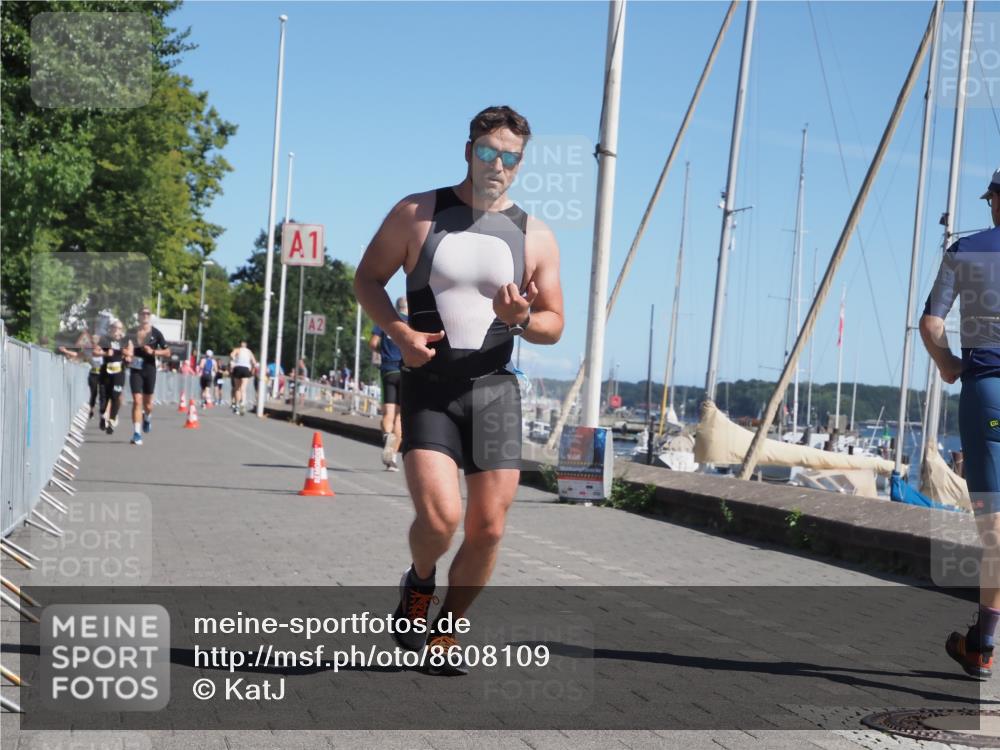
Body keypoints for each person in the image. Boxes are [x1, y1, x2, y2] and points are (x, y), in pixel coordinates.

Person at [354, 105, 564, 674]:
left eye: (510, 157)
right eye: (488, 152)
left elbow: (554, 325)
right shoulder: (417, 213)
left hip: (495, 391)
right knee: (441, 519)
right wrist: (398, 331)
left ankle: (448, 629)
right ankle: (419, 582)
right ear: (468, 150)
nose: (497, 164)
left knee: (490, 526)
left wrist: (521, 318)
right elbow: (367, 278)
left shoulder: (534, 235)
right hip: (429, 387)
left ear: (521, 164)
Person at [922, 166, 1000, 679]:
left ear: (996, 200)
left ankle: (984, 645)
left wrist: (948, 363)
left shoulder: (965, 251)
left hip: (988, 391)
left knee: (995, 527)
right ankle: (980, 641)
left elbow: (931, 322)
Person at [370, 296, 409, 470]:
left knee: (388, 415)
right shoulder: (411, 323)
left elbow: (373, 343)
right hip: (405, 371)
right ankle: (392, 458)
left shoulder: (385, 320)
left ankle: (387, 437)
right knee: (400, 418)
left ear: (395, 306)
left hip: (388, 370)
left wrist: (383, 350)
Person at [125, 307, 169, 446]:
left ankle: (147, 417)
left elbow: (167, 352)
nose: (145, 316)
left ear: (150, 316)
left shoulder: (156, 333)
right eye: (142, 313)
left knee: (148, 404)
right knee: (137, 400)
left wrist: (153, 351)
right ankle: (137, 433)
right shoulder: (132, 332)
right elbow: (126, 347)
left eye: (147, 314)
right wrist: (127, 354)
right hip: (136, 369)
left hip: (150, 369)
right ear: (138, 316)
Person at [96, 320, 127, 435]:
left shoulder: (124, 341)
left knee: (115, 397)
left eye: (119, 328)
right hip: (106, 371)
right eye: (115, 328)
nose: (117, 331)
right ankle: (103, 416)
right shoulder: (104, 339)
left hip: (119, 372)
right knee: (104, 397)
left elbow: (131, 352)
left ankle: (112, 420)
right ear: (111, 328)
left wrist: (127, 354)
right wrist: (104, 354)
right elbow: (95, 352)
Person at [229, 341, 257, 416]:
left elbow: (231, 355)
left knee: (237, 388)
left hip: (238, 367)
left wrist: (234, 359)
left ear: (240, 345)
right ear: (246, 346)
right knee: (243, 389)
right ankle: (243, 404)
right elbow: (254, 362)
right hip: (246, 369)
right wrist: (252, 370)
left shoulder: (237, 349)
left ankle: (237, 405)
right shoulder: (249, 351)